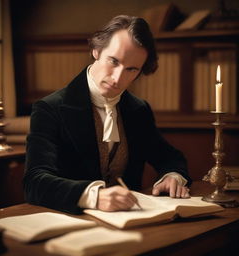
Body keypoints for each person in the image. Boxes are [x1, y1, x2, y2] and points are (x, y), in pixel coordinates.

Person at [24, 15, 191, 214]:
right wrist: (93, 196)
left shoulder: (139, 109)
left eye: (131, 69)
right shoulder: (49, 108)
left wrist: (172, 176)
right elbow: (35, 182)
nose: (118, 78)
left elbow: (170, 158)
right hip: (68, 222)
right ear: (96, 50)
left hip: (131, 224)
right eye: (113, 61)